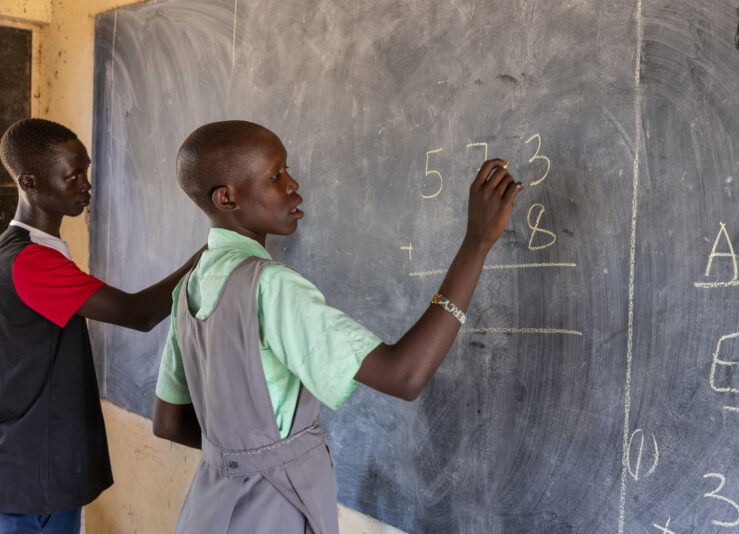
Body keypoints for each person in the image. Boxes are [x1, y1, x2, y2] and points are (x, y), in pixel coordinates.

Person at [152, 120, 523, 533]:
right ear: (227, 197)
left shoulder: (189, 287)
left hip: (208, 510)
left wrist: (238, 455)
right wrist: (477, 243)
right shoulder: (271, 287)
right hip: (270, 514)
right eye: (276, 176)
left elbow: (168, 421)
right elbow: (405, 375)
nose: (293, 184)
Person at [0, 118, 203, 534]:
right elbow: (138, 314)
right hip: (36, 480)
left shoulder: (16, 252)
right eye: (73, 176)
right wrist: (214, 250)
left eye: (86, 170)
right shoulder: (32, 263)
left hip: (25, 466)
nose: (86, 185)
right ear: (30, 182)